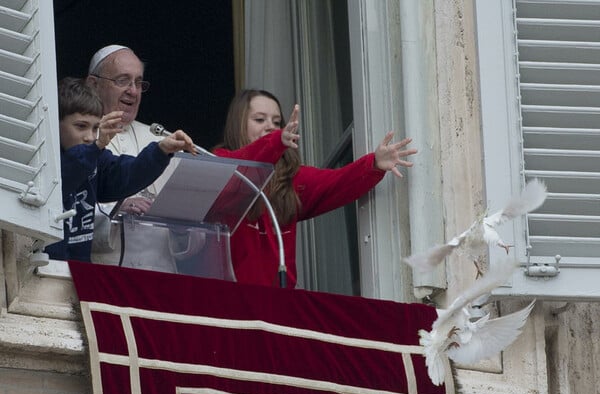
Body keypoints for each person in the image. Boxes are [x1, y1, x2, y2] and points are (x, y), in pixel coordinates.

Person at [212, 89, 417, 288]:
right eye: (259, 120)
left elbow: (337, 182)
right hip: (230, 302)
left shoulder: (291, 178)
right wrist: (275, 142)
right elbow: (238, 168)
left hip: (277, 307)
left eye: (276, 122)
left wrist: (373, 164)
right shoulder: (220, 162)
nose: (271, 127)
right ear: (238, 124)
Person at [44, 77, 196, 262]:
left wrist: (161, 151)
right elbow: (65, 176)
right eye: (81, 126)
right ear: (55, 124)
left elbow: (126, 175)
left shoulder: (95, 158)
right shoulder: (43, 161)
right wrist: (97, 146)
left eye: (95, 128)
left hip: (78, 271)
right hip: (43, 270)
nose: (89, 137)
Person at [85, 45, 176, 268]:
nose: (133, 91)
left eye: (138, 82)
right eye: (122, 80)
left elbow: (189, 234)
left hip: (162, 277)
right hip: (104, 276)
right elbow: (68, 211)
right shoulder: (78, 135)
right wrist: (118, 207)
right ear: (93, 84)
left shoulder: (160, 139)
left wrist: (181, 229)